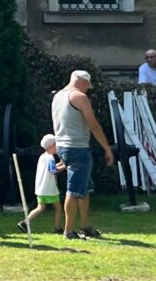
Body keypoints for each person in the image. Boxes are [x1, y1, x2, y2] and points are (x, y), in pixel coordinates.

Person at [51, 69, 114, 240]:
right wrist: (107, 148)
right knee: (74, 190)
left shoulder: (58, 96)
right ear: (82, 81)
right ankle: (69, 231)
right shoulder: (79, 96)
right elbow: (93, 124)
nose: (87, 89)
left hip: (63, 146)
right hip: (77, 147)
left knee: (84, 188)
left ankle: (85, 226)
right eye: (87, 85)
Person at [18, 134, 66, 235]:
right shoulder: (50, 158)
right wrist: (65, 166)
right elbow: (53, 170)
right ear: (52, 145)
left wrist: (61, 164)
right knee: (58, 208)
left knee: (40, 207)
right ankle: (57, 228)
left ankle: (25, 222)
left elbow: (50, 168)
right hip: (50, 188)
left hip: (40, 188)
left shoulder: (43, 157)